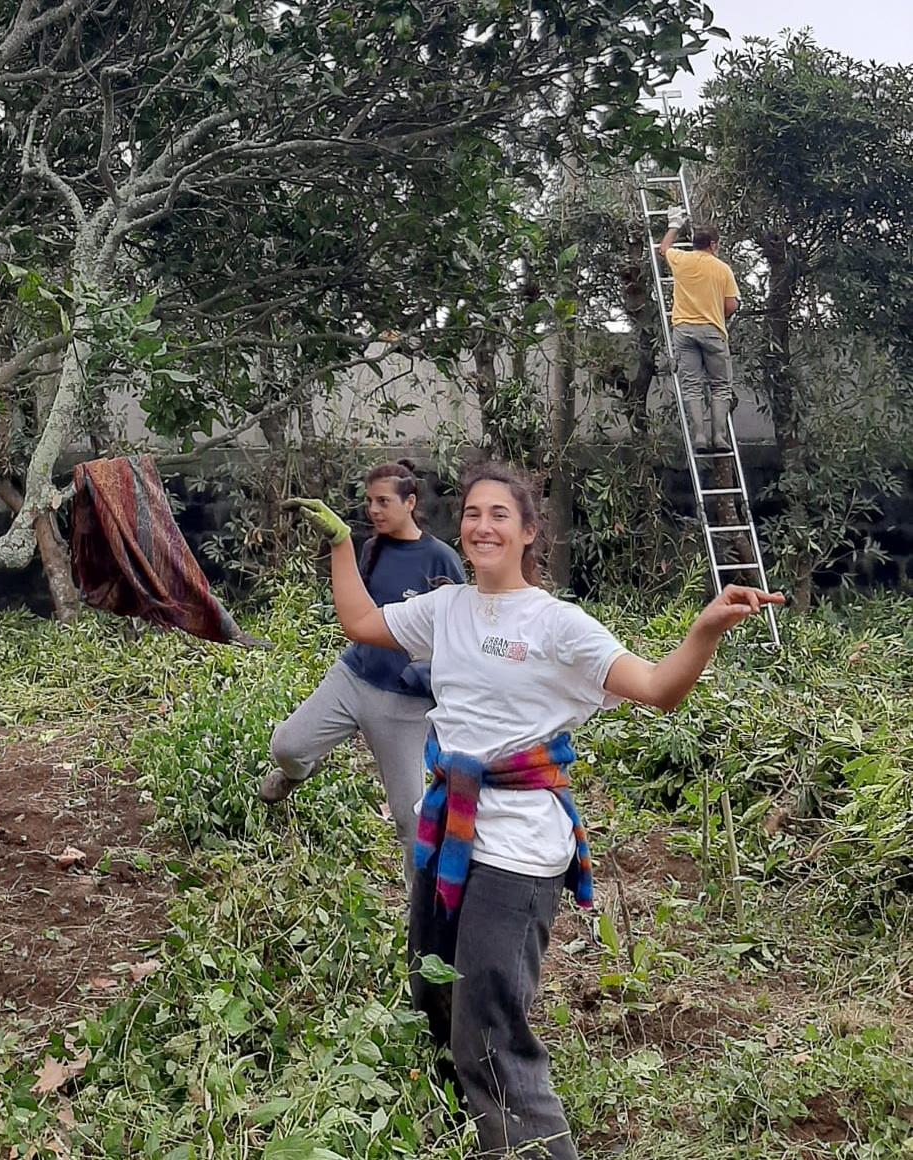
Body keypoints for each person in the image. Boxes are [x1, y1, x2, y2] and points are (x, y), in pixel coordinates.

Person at [284, 460, 782, 1160]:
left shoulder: (558, 624)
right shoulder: (446, 607)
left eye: (498, 515)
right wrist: (342, 542)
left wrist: (703, 631)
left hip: (516, 850)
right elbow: (362, 622)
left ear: (526, 532)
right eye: (472, 514)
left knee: (489, 1030)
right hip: (448, 832)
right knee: (433, 991)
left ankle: (533, 1147)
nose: (482, 525)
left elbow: (656, 688)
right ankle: (467, 1126)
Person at [261, 460, 464, 900]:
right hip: (353, 678)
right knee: (287, 746)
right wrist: (341, 546)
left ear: (410, 503)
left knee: (412, 818)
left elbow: (461, 632)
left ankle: (423, 912)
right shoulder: (372, 549)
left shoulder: (440, 559)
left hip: (405, 706)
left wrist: (433, 678)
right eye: (369, 501)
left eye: (383, 501)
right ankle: (300, 773)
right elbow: (356, 614)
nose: (373, 509)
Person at [658, 208, 741, 452]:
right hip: (712, 330)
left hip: (684, 330)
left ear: (694, 243)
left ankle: (699, 437)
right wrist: (717, 311)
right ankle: (719, 437)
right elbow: (730, 305)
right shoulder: (722, 269)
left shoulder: (681, 260)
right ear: (713, 244)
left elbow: (663, 248)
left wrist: (674, 224)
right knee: (720, 386)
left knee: (692, 385)